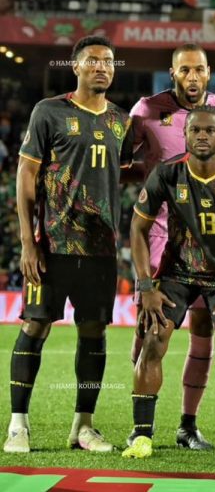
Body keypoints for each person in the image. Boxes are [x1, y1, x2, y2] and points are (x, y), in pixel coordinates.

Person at [4, 35, 133, 453]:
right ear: (75, 66)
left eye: (108, 61)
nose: (102, 67)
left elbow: (123, 171)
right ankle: (18, 425)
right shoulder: (49, 111)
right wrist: (28, 241)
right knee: (35, 325)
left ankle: (83, 427)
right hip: (51, 244)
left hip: (101, 248)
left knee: (94, 332)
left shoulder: (120, 120)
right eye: (93, 60)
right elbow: (26, 175)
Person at [122, 106, 215, 460]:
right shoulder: (167, 173)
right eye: (195, 130)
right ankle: (141, 435)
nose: (201, 136)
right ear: (184, 134)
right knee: (153, 341)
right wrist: (146, 287)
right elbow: (137, 229)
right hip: (177, 273)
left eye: (209, 130)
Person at [126, 43, 215, 450]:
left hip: (208, 242)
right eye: (185, 70)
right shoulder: (145, 110)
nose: (193, 77)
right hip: (160, 237)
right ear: (173, 73)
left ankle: (188, 425)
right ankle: (140, 426)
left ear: (209, 73)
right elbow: (123, 162)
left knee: (203, 329)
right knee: (150, 330)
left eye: (199, 69)